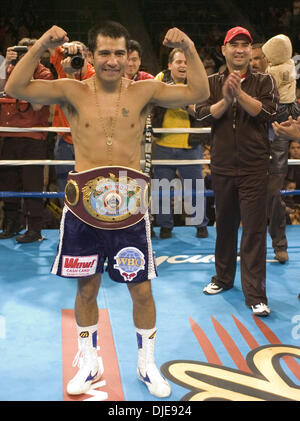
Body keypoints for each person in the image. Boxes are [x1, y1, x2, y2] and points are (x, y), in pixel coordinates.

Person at [5, 22, 209, 397]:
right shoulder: (72, 90)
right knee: (86, 287)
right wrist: (39, 47)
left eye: (119, 53)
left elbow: (199, 91)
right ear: (93, 56)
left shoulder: (145, 90)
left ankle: (147, 364)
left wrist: (190, 46)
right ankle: (89, 359)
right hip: (83, 210)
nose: (112, 61)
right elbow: (14, 88)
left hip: (130, 213)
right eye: (104, 53)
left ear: (129, 57)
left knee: (142, 291)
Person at [195, 26, 279, 317]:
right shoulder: (210, 81)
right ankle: (222, 279)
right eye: (234, 44)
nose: (240, 49)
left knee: (254, 231)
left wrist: (239, 93)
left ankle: (255, 294)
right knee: (225, 226)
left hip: (255, 167)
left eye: (245, 45)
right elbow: (201, 113)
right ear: (224, 49)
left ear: (251, 50)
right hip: (222, 166)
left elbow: (268, 113)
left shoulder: (265, 81)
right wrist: (226, 99)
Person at [152, 47, 209, 239]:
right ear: (170, 65)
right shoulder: (160, 78)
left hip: (189, 146)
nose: (183, 65)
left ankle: (200, 224)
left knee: (195, 189)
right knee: (162, 189)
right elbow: (154, 100)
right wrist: (175, 99)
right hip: (163, 145)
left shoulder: (197, 81)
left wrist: (182, 102)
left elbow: (200, 110)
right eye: (178, 62)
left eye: (186, 62)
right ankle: (165, 226)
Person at [0, 37, 53, 242]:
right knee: (8, 184)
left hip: (33, 137)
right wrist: (6, 63)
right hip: (7, 136)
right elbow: (2, 88)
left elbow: (38, 105)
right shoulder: (9, 69)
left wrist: (25, 73)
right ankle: (11, 223)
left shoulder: (44, 73)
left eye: (31, 53)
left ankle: (34, 229)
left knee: (32, 185)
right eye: (23, 53)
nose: (26, 57)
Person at [49, 41, 95, 205]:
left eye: (79, 55)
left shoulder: (94, 76)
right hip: (64, 138)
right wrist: (66, 46)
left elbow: (77, 103)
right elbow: (50, 42)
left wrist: (69, 74)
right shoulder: (64, 64)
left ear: (87, 55)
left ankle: (91, 223)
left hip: (88, 140)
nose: (76, 59)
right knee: (65, 183)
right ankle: (67, 221)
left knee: (90, 183)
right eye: (73, 56)